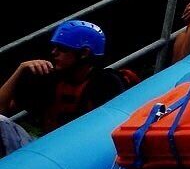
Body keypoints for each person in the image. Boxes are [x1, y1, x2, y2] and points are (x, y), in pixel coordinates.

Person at [0, 21, 134, 144]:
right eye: (54, 47)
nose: (54, 53)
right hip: (45, 151)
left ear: (84, 53)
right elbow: (2, 111)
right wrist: (20, 70)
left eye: (62, 49)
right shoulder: (49, 80)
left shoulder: (106, 83)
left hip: (87, 152)